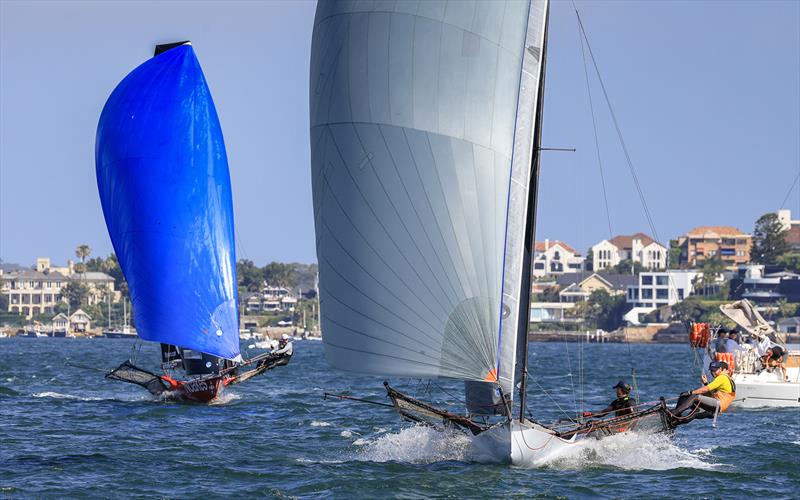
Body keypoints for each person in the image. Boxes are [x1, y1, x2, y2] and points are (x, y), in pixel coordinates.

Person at [670, 361, 736, 423]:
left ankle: (674, 414)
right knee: (695, 411)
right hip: (715, 408)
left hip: (717, 406)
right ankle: (675, 422)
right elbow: (710, 395)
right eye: (711, 370)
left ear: (720, 369)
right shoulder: (725, 379)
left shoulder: (722, 377)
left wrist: (691, 392)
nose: (713, 372)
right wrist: (706, 383)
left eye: (715, 370)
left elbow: (705, 389)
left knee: (694, 397)